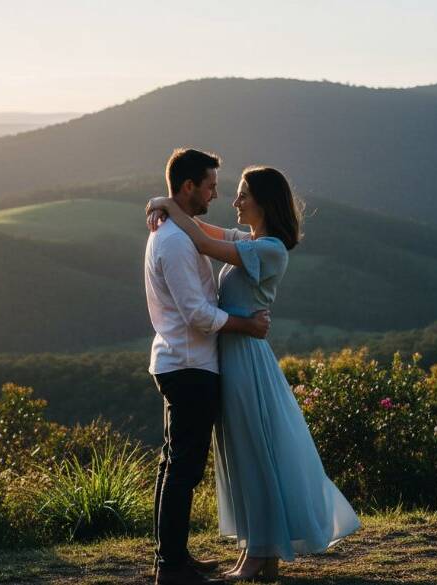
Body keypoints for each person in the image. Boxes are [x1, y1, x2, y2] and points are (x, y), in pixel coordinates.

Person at [147, 165, 361, 582]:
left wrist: (168, 205)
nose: (235, 200)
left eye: (243, 194)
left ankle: (260, 555)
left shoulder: (270, 250)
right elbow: (205, 228)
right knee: (246, 456)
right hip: (233, 356)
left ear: (263, 202)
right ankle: (262, 555)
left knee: (254, 456)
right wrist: (166, 205)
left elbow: (201, 241)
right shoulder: (251, 241)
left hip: (245, 359)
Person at [145, 148, 272, 585]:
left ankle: (173, 558)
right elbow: (199, 314)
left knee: (175, 464)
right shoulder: (176, 242)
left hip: (183, 361)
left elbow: (216, 236)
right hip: (188, 364)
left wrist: (163, 205)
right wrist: (246, 324)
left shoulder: (177, 232)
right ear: (188, 187)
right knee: (182, 467)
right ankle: (172, 567)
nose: (216, 194)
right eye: (211, 186)